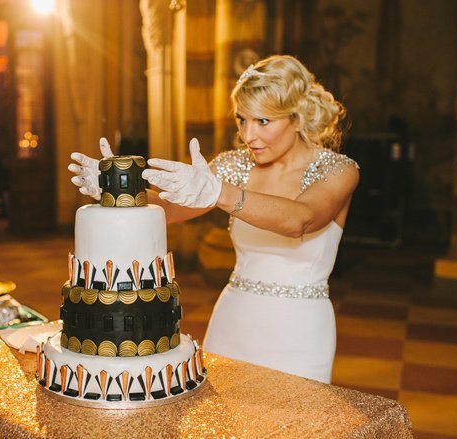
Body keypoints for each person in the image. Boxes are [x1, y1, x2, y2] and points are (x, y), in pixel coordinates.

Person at [68, 55, 359, 383]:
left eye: (263, 121)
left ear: (297, 117)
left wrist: (219, 191)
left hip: (301, 333)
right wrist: (115, 189)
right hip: (233, 321)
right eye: (242, 119)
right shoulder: (234, 165)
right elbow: (172, 209)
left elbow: (301, 220)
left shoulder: (338, 170)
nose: (249, 135)